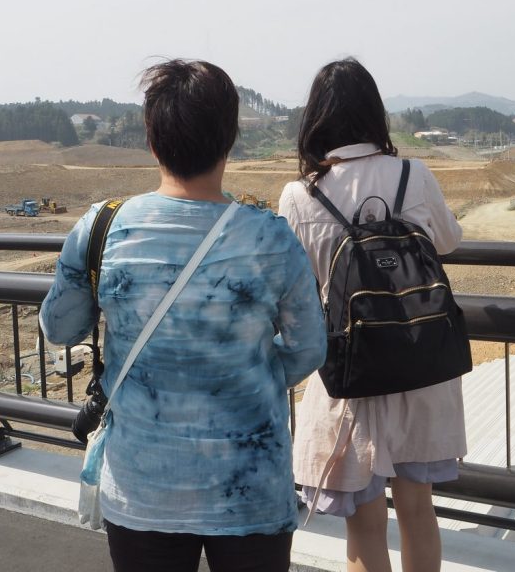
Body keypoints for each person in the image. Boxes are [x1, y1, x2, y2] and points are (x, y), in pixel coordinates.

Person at [39, 59, 325, 572]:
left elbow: (59, 327)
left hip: (142, 488)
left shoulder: (102, 227)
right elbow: (309, 348)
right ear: (230, 139)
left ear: (152, 139)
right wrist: (243, 377)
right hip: (250, 488)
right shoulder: (270, 237)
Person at [279, 58, 466, 572]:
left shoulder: (300, 195)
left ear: (316, 119)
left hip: (349, 374)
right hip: (420, 365)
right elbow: (449, 240)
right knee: (418, 510)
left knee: (363, 527)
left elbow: (293, 285)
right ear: (374, 113)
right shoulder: (413, 175)